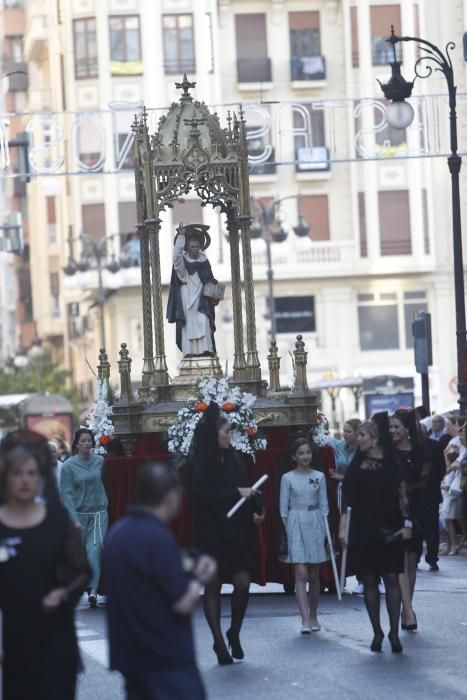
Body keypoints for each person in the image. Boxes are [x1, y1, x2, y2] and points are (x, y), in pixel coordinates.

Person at [104, 462, 216, 700]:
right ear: (170, 497)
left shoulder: (117, 533)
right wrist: (199, 579)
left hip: (130, 656)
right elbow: (182, 602)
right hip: (165, 656)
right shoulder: (157, 536)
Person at [0, 431, 91, 699]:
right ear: (6, 478)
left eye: (31, 473)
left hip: (56, 634)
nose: (25, 480)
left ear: (41, 478)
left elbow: (83, 571)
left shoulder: (56, 519)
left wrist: (63, 592)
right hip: (16, 637)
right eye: (18, 474)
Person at [188, 402, 264, 665]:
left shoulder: (233, 457)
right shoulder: (197, 461)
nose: (230, 436)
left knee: (242, 583)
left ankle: (234, 631)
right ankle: (219, 641)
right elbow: (200, 496)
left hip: (235, 529)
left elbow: (244, 487)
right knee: (212, 586)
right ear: (213, 434)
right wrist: (236, 494)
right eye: (226, 432)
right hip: (210, 529)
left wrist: (256, 505)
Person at [339, 415, 412, 653]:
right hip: (363, 528)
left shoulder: (392, 464)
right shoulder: (356, 466)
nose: (357, 439)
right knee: (369, 579)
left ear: (374, 439)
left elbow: (403, 495)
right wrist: (343, 527)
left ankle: (393, 632)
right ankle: (376, 631)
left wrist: (407, 523)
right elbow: (347, 498)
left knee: (391, 579)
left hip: (390, 526)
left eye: (362, 435)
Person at [279, 437, 329, 633]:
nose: (305, 456)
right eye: (301, 453)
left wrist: (326, 534)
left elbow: (324, 506)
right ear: (294, 456)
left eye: (308, 452)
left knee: (315, 574)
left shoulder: (319, 476)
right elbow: (283, 508)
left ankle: (314, 614)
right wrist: (288, 531)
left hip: (316, 522)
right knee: (301, 573)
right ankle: (304, 619)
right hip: (295, 523)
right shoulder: (287, 478)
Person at [389, 409, 429, 632]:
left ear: (406, 429)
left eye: (396, 427)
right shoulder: (388, 453)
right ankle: (408, 610)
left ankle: (407, 607)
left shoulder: (420, 450)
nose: (393, 431)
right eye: (391, 427)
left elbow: (425, 479)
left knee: (412, 561)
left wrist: (407, 489)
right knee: (401, 561)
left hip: (416, 509)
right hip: (394, 511)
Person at [60, 428, 108, 608]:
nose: (87, 443)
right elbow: (67, 495)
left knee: (94, 551)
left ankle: (93, 591)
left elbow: (100, 482)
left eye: (89, 441)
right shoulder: (68, 466)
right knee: (80, 556)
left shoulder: (100, 461)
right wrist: (74, 519)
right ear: (77, 444)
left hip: (99, 514)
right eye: (83, 441)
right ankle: (78, 585)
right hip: (79, 516)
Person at [167, 224, 220, 356]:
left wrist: (215, 293)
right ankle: (189, 352)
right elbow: (176, 259)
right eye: (192, 247)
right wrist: (181, 237)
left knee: (204, 321)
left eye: (197, 247)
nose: (195, 249)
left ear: (201, 247)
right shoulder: (183, 262)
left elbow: (210, 279)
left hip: (202, 298)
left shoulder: (204, 260)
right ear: (188, 247)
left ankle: (207, 349)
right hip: (187, 296)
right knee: (188, 325)